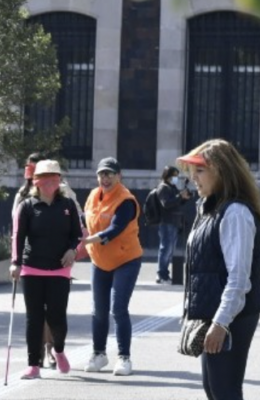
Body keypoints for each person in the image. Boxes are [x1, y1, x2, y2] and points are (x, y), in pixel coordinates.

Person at [177, 139, 260, 400]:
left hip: (231, 315)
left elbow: (239, 278)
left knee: (227, 391)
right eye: (193, 171)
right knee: (214, 390)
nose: (194, 178)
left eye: (201, 170)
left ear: (222, 171)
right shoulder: (209, 208)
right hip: (214, 313)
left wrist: (219, 323)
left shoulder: (235, 214)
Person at [10, 159, 81, 379]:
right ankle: (34, 364)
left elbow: (76, 234)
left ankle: (58, 349)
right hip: (32, 268)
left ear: (59, 181)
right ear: (36, 182)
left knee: (57, 317)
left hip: (60, 269)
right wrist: (15, 262)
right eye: (44, 179)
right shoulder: (27, 206)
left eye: (54, 179)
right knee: (34, 318)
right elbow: (18, 236)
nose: (50, 184)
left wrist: (73, 250)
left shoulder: (67, 205)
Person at [80, 157, 143, 376]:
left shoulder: (126, 200)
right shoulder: (93, 196)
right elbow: (84, 218)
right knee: (98, 310)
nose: (105, 178)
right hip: (100, 260)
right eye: (101, 174)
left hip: (126, 260)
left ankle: (124, 358)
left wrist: (87, 241)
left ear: (119, 176)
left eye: (109, 174)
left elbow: (115, 229)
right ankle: (99, 354)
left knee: (118, 308)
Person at [155, 165, 192, 284]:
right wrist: (179, 196)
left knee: (170, 249)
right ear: (167, 176)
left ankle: (165, 274)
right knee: (166, 248)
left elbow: (177, 203)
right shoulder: (163, 187)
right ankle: (162, 274)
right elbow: (166, 204)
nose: (175, 178)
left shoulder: (172, 187)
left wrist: (184, 198)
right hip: (166, 222)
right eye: (173, 176)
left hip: (174, 221)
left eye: (176, 176)